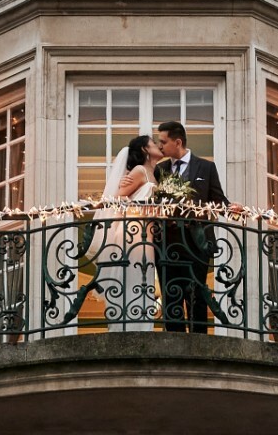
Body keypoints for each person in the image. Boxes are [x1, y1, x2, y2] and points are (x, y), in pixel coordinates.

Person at [155, 120, 240, 333]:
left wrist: (230, 208)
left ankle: (199, 342)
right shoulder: (159, 170)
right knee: (170, 295)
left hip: (198, 243)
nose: (160, 147)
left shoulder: (206, 167)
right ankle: (173, 344)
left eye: (163, 142)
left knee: (197, 294)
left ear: (178, 141)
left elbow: (218, 199)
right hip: (167, 244)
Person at [90, 135, 163, 332]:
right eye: (154, 143)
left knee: (144, 278)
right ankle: (126, 328)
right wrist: (140, 209)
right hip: (132, 232)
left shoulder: (155, 172)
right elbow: (117, 199)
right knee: (132, 276)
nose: (158, 145)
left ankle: (142, 326)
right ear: (145, 150)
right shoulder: (139, 171)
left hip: (147, 234)